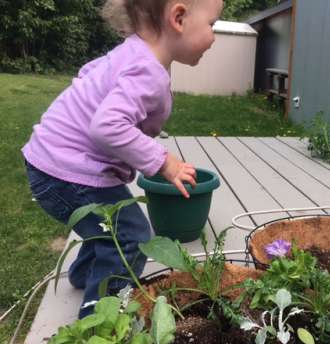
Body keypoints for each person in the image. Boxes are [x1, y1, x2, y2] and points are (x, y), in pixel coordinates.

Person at [22, 0, 224, 318]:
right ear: (179, 17)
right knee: (132, 236)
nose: (214, 36)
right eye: (213, 24)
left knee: (107, 225)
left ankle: (85, 276)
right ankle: (102, 323)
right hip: (67, 171)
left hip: (52, 162)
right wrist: (164, 162)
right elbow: (107, 126)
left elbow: (90, 75)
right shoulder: (147, 70)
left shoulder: (132, 52)